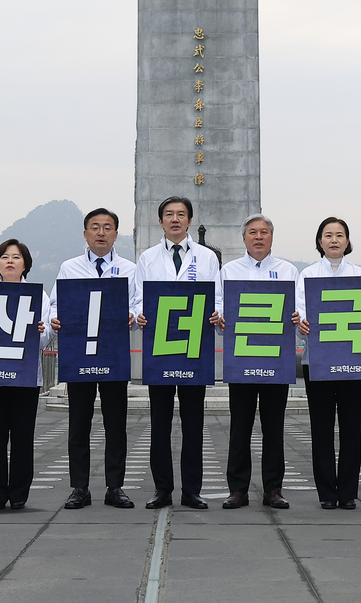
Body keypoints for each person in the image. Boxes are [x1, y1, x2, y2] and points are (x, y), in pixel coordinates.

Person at [47, 208, 139, 511]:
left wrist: (133, 317)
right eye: (95, 227)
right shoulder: (69, 267)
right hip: (78, 355)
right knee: (79, 424)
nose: (101, 232)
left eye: (108, 227)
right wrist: (55, 320)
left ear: (116, 234)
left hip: (113, 355)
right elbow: (54, 306)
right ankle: (80, 487)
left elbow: (139, 307)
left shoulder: (129, 268)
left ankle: (116, 487)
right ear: (85, 234)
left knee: (116, 424)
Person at [134, 195, 221, 510]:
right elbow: (137, 298)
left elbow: (219, 297)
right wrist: (140, 314)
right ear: (160, 221)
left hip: (194, 349)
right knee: (159, 421)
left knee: (193, 421)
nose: (174, 219)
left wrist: (216, 314)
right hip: (160, 350)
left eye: (181, 214)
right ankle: (162, 488)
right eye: (168, 214)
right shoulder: (148, 258)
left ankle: (192, 490)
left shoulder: (208, 258)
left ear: (189, 220)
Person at [218, 214, 298, 510]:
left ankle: (273, 489)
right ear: (244, 238)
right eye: (253, 232)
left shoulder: (288, 270)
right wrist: (220, 317)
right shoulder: (230, 270)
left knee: (273, 427)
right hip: (242, 361)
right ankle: (238, 490)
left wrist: (296, 316)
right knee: (240, 426)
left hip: (276, 360)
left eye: (264, 232)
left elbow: (299, 308)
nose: (259, 237)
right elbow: (218, 305)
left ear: (272, 238)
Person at [295, 217, 361, 511]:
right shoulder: (306, 275)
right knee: (322, 427)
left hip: (353, 362)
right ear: (319, 242)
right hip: (319, 361)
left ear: (348, 241)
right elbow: (298, 309)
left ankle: (349, 492)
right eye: (328, 235)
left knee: (352, 428)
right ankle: (327, 491)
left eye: (340, 235)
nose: (334, 240)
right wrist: (301, 324)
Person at [0, 239, 50, 510]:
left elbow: (45, 339)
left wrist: (42, 331)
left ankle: (18, 493)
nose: (10, 261)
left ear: (25, 264)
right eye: (5, 257)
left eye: (16, 257)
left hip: (25, 376)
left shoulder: (39, 296)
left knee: (22, 435)